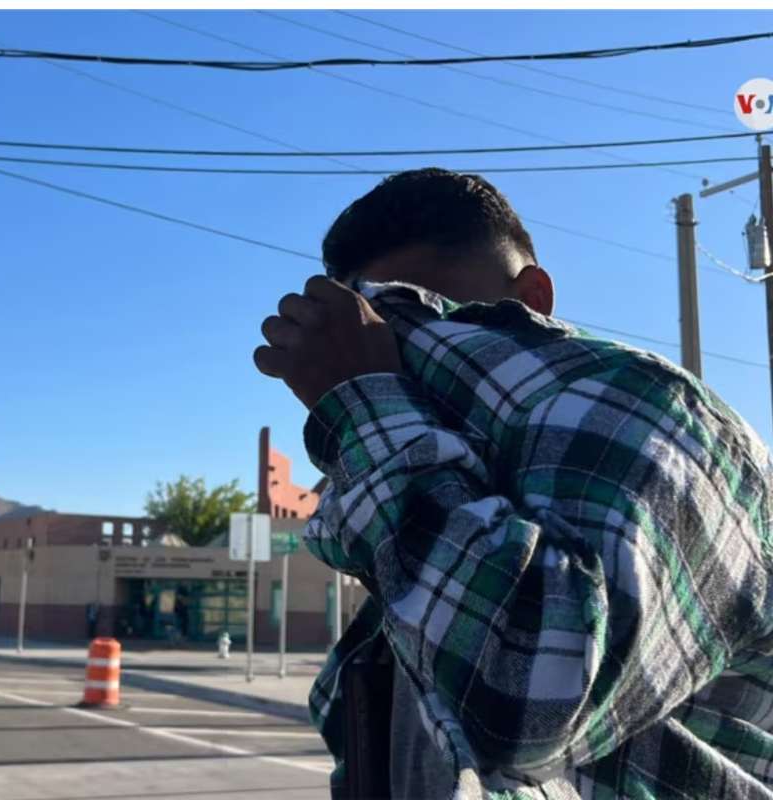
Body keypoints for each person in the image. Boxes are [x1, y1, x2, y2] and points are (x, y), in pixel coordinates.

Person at [254, 168, 773, 799]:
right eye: (384, 338)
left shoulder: (651, 416)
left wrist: (363, 400)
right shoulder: (455, 479)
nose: (422, 358)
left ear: (533, 297)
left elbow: (530, 700)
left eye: (440, 326)